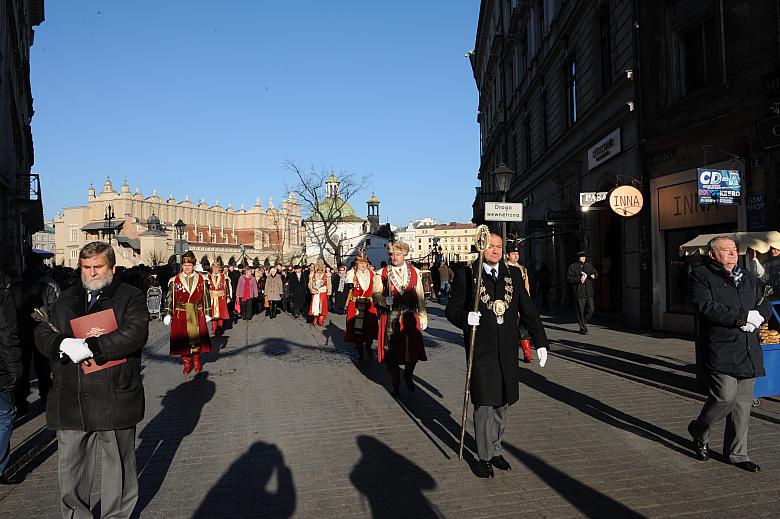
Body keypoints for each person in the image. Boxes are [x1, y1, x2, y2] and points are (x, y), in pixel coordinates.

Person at [34, 242, 148, 516]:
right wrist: (62, 343)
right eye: (86, 267)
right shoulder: (66, 297)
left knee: (118, 470)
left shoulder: (130, 296)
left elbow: (135, 333)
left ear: (112, 268)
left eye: (98, 267)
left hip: (114, 396)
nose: (92, 273)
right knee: (71, 472)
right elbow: (42, 331)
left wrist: (94, 347)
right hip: (72, 398)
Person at [445, 232, 550, 478]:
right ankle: (483, 457)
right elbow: (452, 310)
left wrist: (541, 342)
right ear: (481, 247)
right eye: (490, 246)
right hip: (481, 350)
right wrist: (465, 318)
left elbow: (529, 311)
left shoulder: (512, 274)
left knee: (503, 402)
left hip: (506, 349)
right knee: (484, 403)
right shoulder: (468, 275)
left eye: (499, 246)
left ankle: (495, 449)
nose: (495, 250)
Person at [687, 236, 770, 472]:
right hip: (721, 347)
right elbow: (704, 307)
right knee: (725, 397)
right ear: (713, 255)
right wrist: (742, 317)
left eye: (734, 249)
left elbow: (765, 299)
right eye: (726, 250)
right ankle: (699, 429)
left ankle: (737, 454)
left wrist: (760, 316)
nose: (733, 253)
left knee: (743, 404)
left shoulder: (749, 278)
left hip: (748, 347)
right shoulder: (702, 276)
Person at [374, 242, 428, 396]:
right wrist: (384, 300)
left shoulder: (415, 272)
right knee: (391, 353)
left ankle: (408, 375)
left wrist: (423, 316)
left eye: (397, 254)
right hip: (391, 316)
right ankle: (395, 383)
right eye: (391, 254)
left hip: (410, 316)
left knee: (412, 350)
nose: (394, 257)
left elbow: (420, 296)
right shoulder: (382, 273)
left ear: (404, 255)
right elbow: (375, 294)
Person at [10, 253, 59, 415]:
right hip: (42, 333)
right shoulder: (49, 284)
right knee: (43, 368)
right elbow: (56, 309)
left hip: (19, 333)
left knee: (22, 368)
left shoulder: (15, 285)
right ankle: (46, 397)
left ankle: (21, 402)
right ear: (41, 265)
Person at [163, 251, 212, 374]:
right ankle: (186, 363)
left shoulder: (202, 279)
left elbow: (206, 296)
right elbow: (170, 298)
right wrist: (168, 313)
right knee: (183, 341)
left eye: (189, 265)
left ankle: (196, 361)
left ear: (193, 265)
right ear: (182, 266)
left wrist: (207, 312)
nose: (187, 268)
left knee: (197, 340)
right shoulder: (174, 280)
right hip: (181, 314)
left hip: (196, 312)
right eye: (185, 265)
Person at [0, 270, 22, 485]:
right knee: (5, 415)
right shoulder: (3, 294)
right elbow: (7, 335)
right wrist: (15, 368)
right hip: (0, 368)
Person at [345, 252, 379, 361]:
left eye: (365, 263)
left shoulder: (373, 274)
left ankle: (368, 347)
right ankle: (360, 351)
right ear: (356, 264)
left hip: (369, 304)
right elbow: (348, 283)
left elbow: (377, 289)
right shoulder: (352, 274)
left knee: (369, 328)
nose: (363, 265)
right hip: (356, 306)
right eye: (361, 263)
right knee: (357, 330)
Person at [505, 239, 533, 363]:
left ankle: (527, 353)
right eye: (513, 254)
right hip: (508, 303)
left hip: (521, 303)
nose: (516, 256)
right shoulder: (503, 268)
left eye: (517, 254)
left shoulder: (523, 269)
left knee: (523, 329)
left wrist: (527, 301)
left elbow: (527, 286)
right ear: (507, 255)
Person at [567, 251, 598, 334]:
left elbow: (595, 272)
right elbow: (569, 279)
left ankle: (582, 320)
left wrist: (593, 275)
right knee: (580, 310)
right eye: (582, 256)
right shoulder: (572, 267)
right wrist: (578, 279)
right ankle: (583, 328)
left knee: (591, 309)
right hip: (579, 292)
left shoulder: (588, 266)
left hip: (588, 291)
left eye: (584, 256)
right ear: (578, 258)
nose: (583, 258)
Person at [207, 260, 232, 335]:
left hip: (221, 297)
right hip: (212, 297)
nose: (215, 269)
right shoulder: (208, 276)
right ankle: (214, 328)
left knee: (221, 313)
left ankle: (220, 327)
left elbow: (227, 287)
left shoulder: (224, 276)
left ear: (219, 269)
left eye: (217, 268)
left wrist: (228, 296)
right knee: (213, 314)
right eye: (214, 268)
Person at [308, 262, 331, 326]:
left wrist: (329, 291)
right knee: (315, 306)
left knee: (322, 306)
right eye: (318, 270)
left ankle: (321, 318)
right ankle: (315, 319)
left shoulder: (326, 275)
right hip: (316, 292)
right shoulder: (313, 275)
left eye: (321, 270)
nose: (320, 272)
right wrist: (312, 290)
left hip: (323, 292)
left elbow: (329, 284)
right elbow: (310, 284)